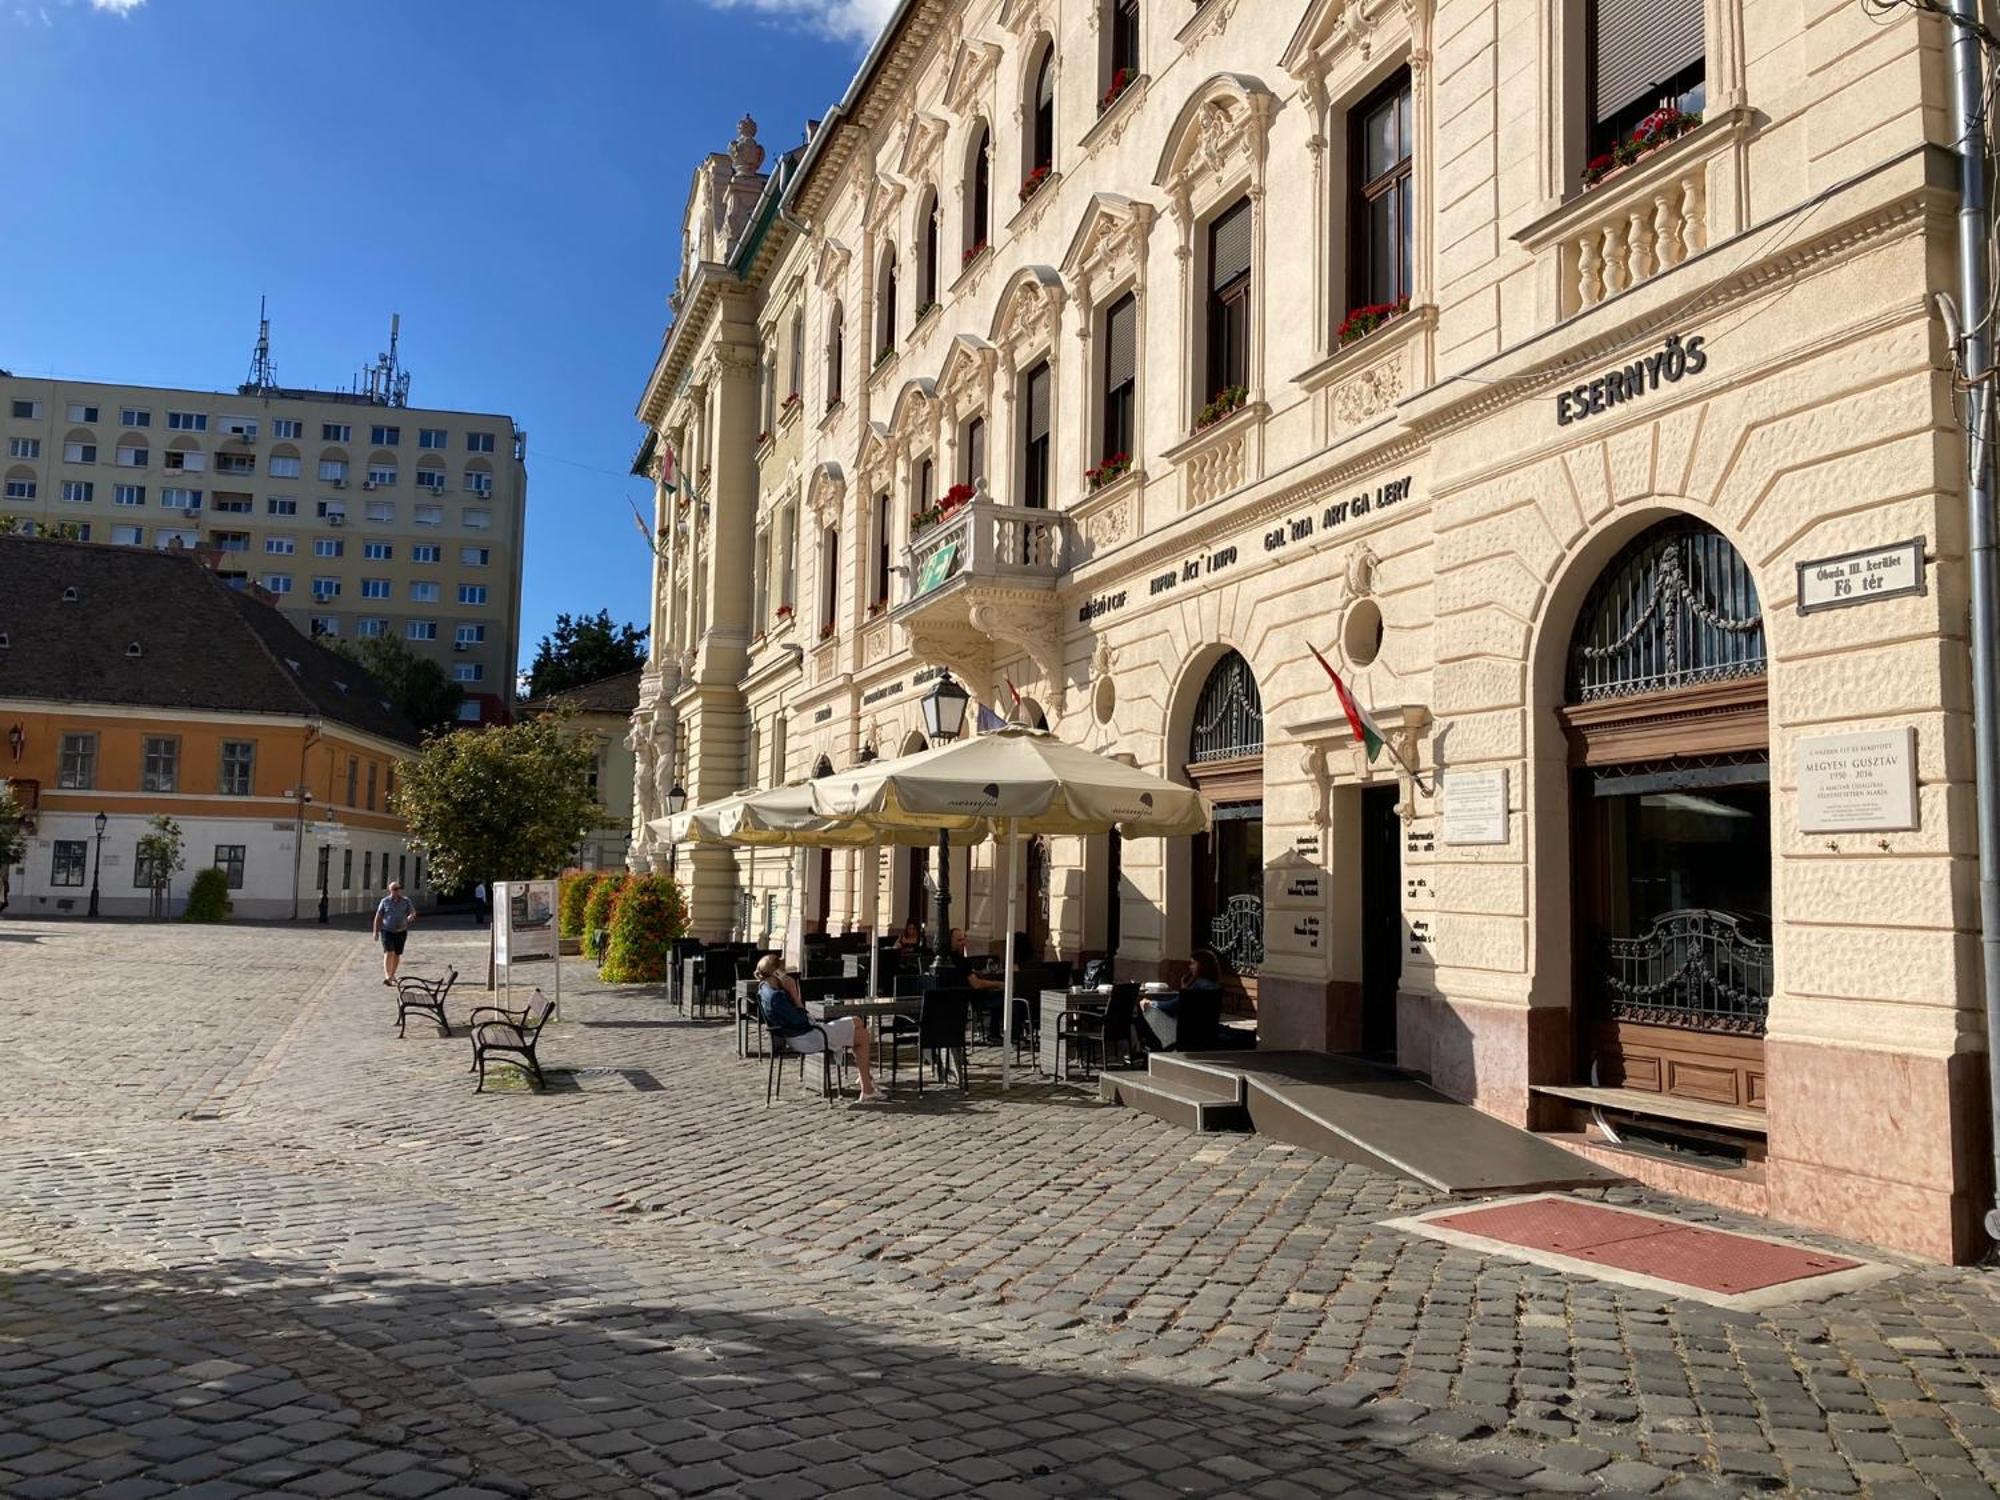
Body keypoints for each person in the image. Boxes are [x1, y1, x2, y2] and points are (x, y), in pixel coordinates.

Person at [755, 953, 881, 1102]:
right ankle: (866, 1086)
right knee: (861, 1033)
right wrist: (794, 994)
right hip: (806, 1037)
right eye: (784, 971)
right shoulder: (777, 997)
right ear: (778, 973)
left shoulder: (764, 988)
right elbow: (802, 1019)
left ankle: (865, 1080)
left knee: (858, 1025)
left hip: (802, 1034)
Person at [1138, 949, 1222, 1051]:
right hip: (1205, 1030)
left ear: (1202, 965)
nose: (1190, 967)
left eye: (1193, 963)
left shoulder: (1199, 985)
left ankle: (1154, 1047)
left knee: (1147, 1010)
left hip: (1187, 1031)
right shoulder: (1214, 986)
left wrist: (1152, 1003)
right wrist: (1184, 988)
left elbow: (1174, 1006)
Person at [373, 880, 417, 987]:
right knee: (389, 952)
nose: (397, 891)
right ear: (390, 890)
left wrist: (411, 916)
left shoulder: (406, 901)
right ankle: (387, 976)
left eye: (398, 888)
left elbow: (412, 912)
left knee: (397, 954)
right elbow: (378, 917)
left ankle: (392, 975)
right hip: (387, 930)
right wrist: (376, 931)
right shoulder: (385, 901)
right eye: (394, 889)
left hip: (401, 931)